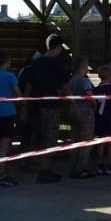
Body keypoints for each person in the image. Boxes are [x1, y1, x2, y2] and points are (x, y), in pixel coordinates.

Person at [29, 34, 70, 184]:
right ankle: (44, 171)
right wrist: (72, 100)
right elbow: (65, 85)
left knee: (39, 138)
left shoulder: (36, 62)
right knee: (50, 139)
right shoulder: (56, 63)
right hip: (51, 107)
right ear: (58, 47)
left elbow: (29, 84)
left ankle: (42, 167)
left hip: (36, 106)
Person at [0, 50, 20, 186]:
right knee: (5, 144)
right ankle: (0, 175)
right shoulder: (10, 76)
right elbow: (18, 93)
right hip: (8, 112)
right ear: (8, 61)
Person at [68, 57, 96, 179]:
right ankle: (81, 168)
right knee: (86, 141)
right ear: (83, 66)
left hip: (73, 112)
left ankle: (73, 167)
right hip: (85, 113)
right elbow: (89, 95)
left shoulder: (71, 80)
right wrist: (95, 104)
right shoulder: (84, 81)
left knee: (74, 140)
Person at [93, 64, 111, 176]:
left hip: (99, 118)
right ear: (110, 76)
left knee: (100, 142)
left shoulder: (96, 89)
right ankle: (110, 165)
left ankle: (100, 166)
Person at [17, 50, 41, 158]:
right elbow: (25, 88)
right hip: (30, 106)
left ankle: (26, 158)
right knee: (30, 133)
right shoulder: (31, 71)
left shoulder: (23, 70)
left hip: (27, 105)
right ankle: (27, 158)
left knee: (27, 134)